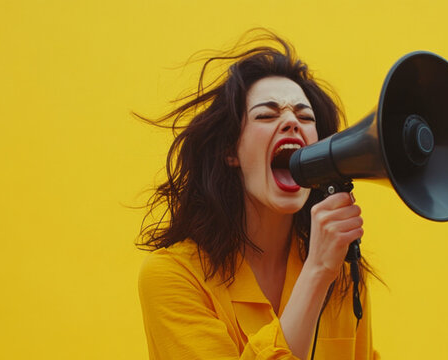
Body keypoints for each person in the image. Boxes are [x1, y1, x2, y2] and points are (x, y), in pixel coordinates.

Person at [135, 29, 379, 360]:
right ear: (230, 151)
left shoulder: (344, 275)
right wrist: (318, 271)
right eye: (266, 115)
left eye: (305, 117)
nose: (292, 122)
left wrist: (325, 267)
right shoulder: (173, 277)